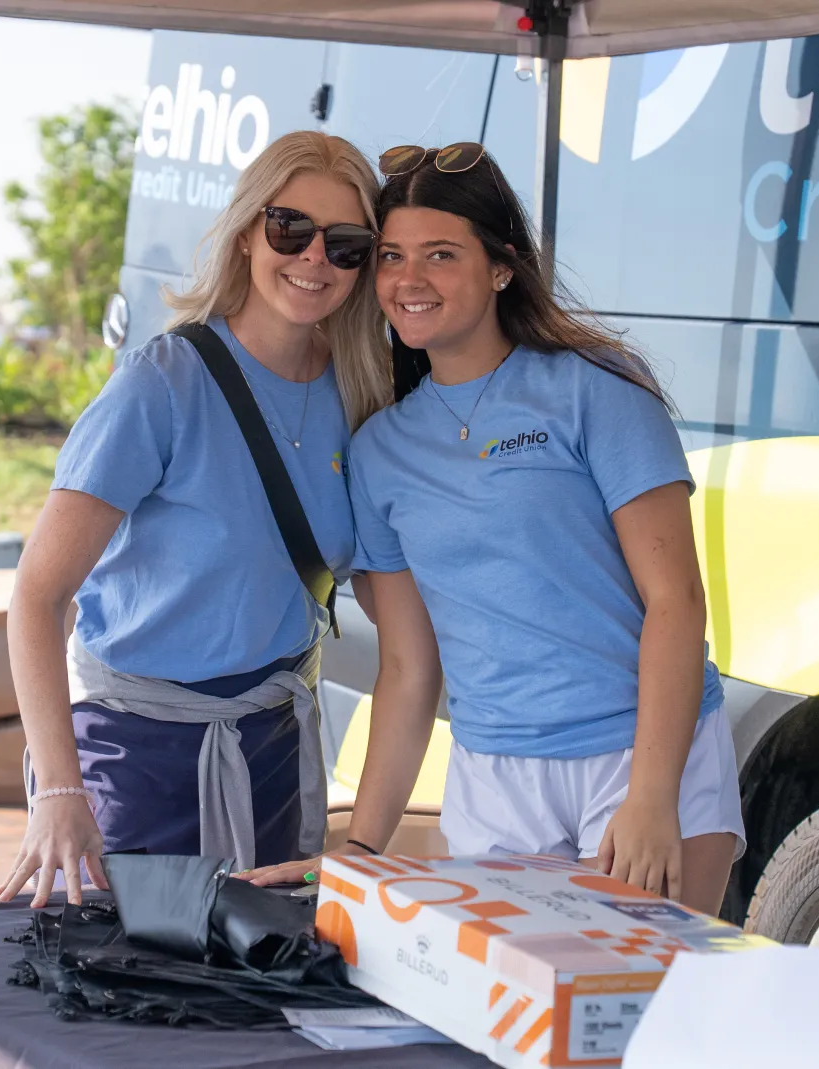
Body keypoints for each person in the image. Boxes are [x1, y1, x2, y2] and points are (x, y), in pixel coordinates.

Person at [245, 144, 743, 914]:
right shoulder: (379, 449)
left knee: (640, 1023)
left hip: (640, 756)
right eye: (391, 257)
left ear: (503, 266)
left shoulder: (597, 389)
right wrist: (364, 852)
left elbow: (677, 600)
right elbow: (412, 669)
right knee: (508, 1032)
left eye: (441, 255)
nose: (409, 281)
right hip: (494, 780)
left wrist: (650, 797)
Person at [0, 131, 391, 909]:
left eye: (345, 245)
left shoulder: (362, 398)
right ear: (247, 233)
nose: (315, 259)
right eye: (290, 229)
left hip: (274, 755)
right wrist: (58, 792)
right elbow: (36, 599)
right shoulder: (162, 386)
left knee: (258, 1008)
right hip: (135, 762)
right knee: (129, 1008)